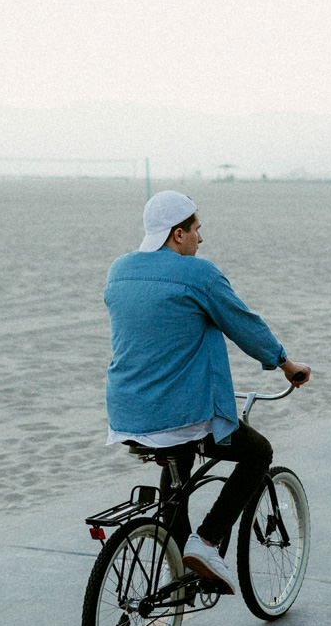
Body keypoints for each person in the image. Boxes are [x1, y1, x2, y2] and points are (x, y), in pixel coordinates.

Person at [104, 190, 311, 593]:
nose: (202, 238)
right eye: (197, 229)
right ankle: (207, 540)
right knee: (258, 453)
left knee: (176, 461)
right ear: (177, 234)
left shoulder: (119, 270)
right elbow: (244, 325)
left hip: (126, 412)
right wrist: (287, 365)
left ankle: (176, 564)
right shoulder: (198, 275)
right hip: (182, 413)